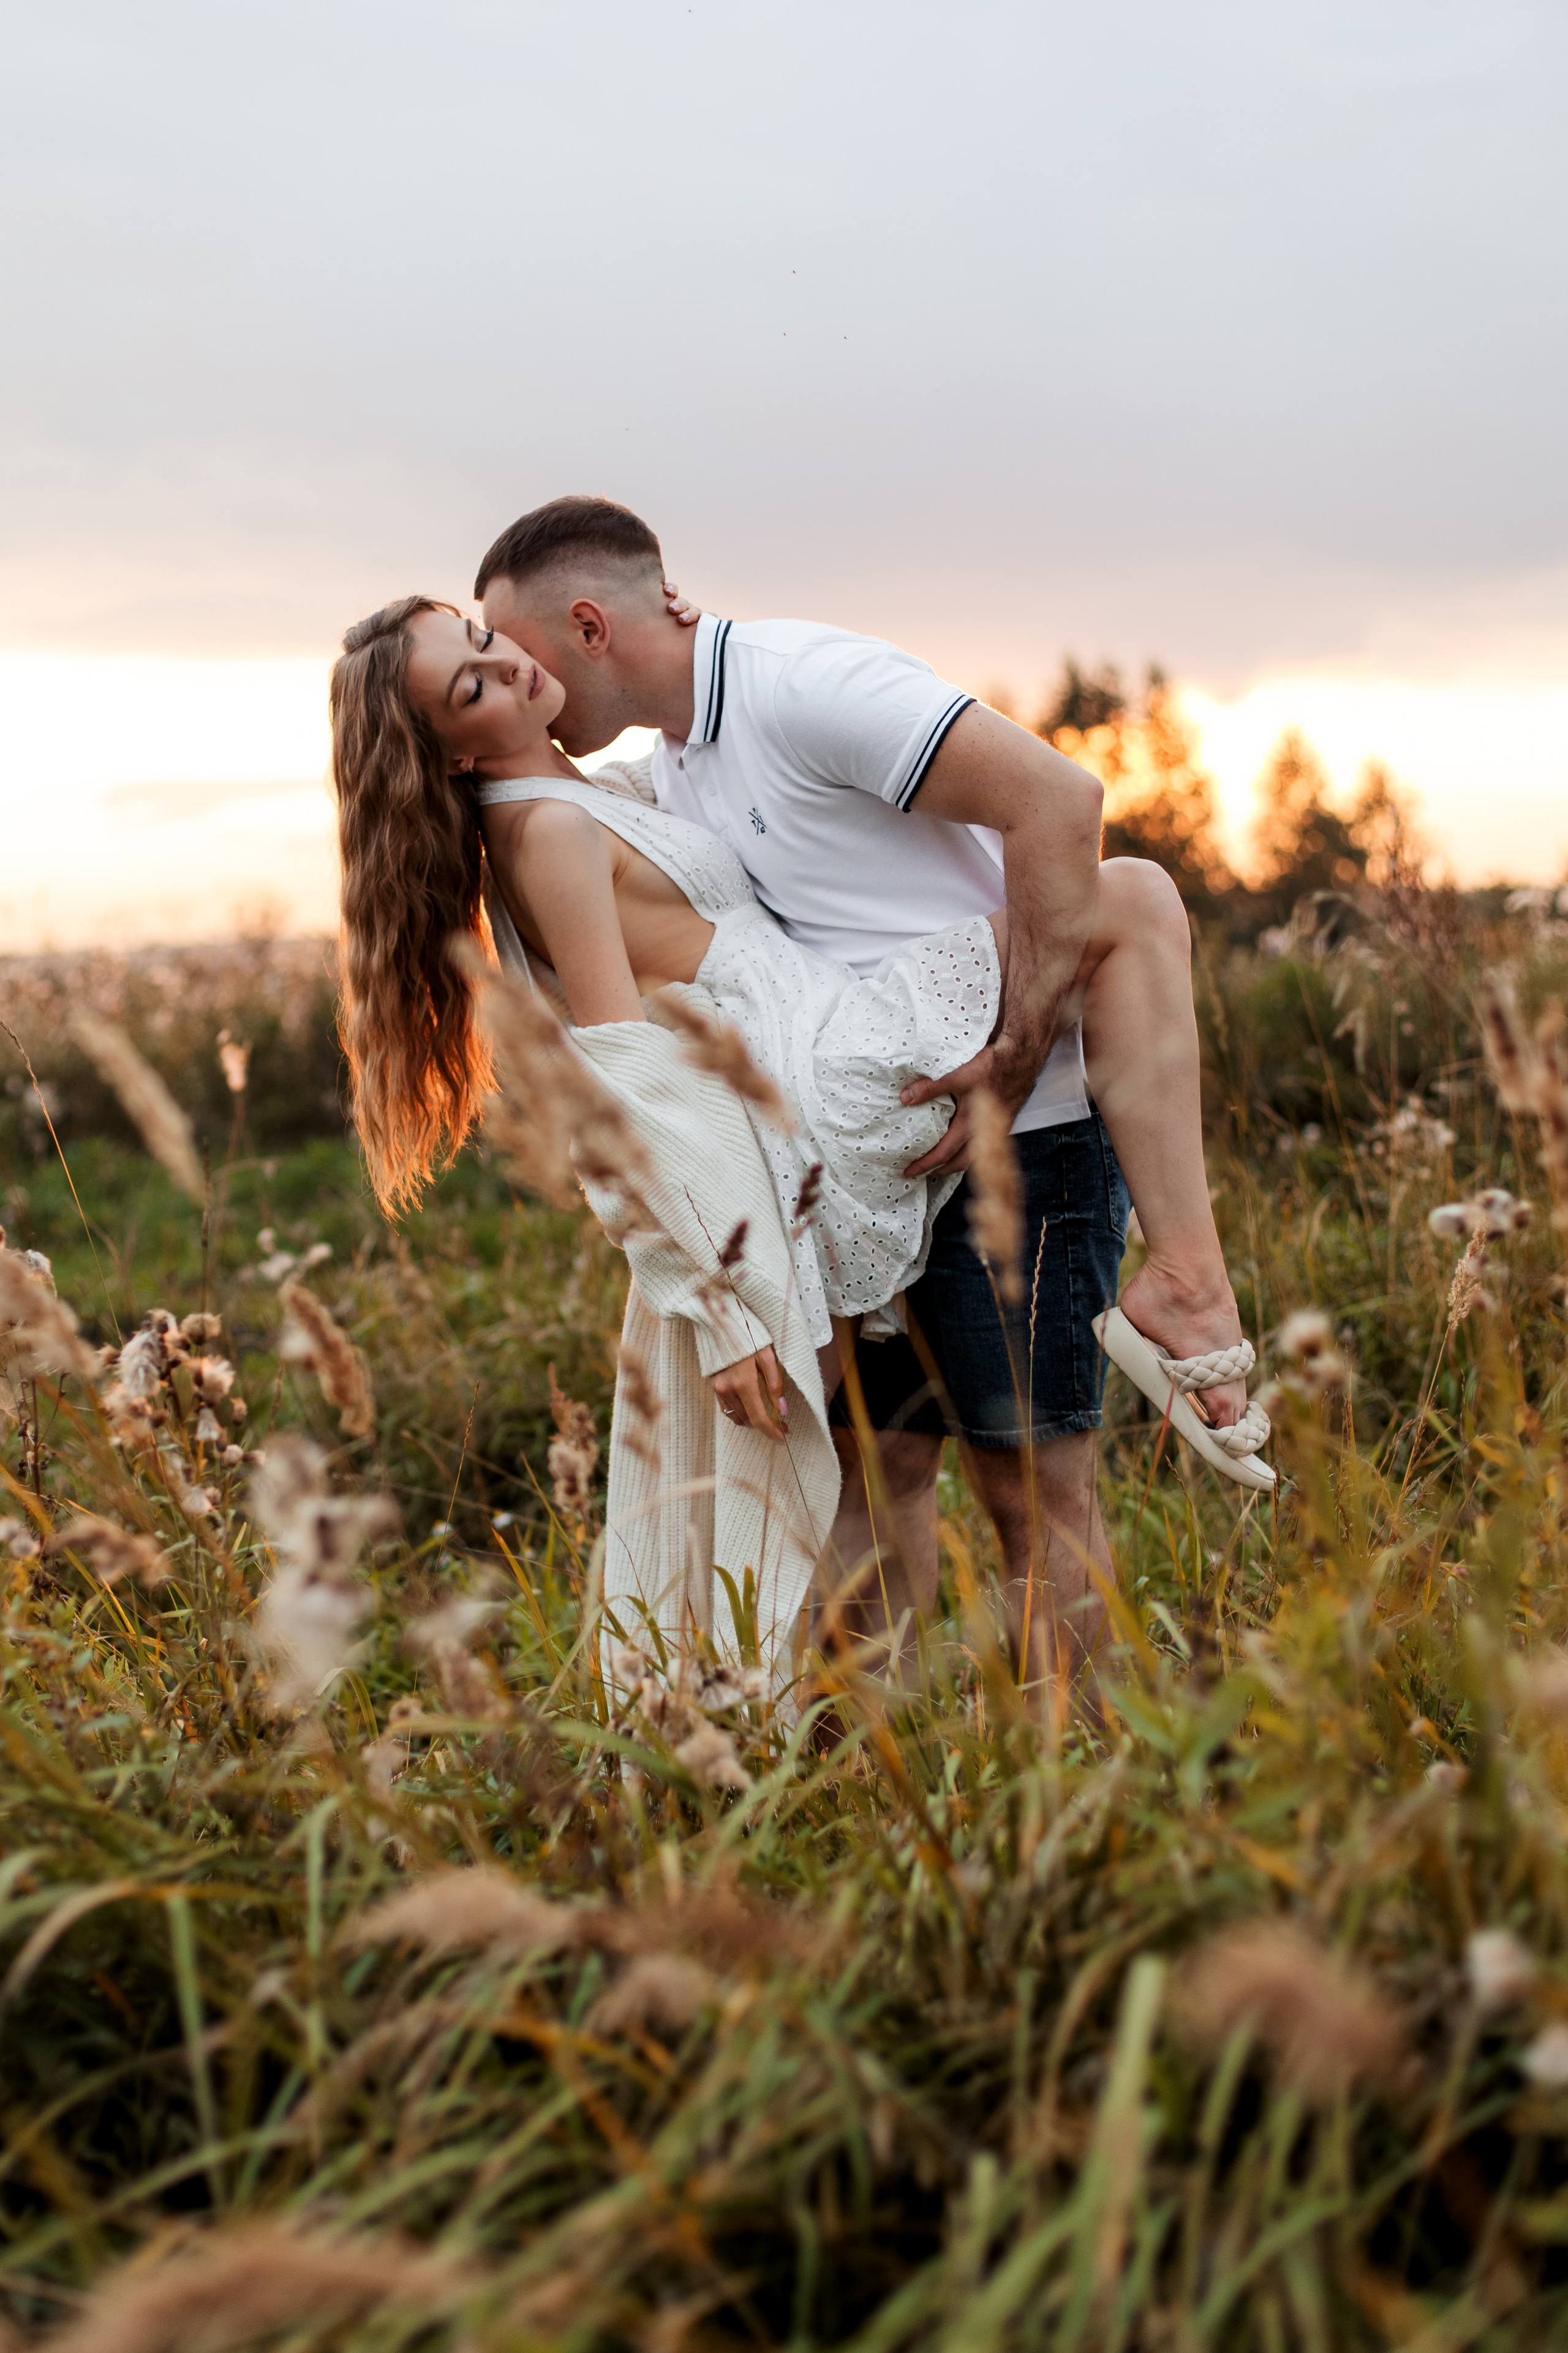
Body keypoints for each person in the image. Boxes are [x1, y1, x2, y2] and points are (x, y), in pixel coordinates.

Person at [469, 498, 1261, 1680]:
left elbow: (1059, 802)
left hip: (1015, 1131)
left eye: (513, 654)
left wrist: (1011, 1053)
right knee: (870, 1487)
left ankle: (1080, 1812)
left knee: (1031, 1501)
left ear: (586, 625)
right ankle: (869, 1806)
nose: (517, 685)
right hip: (850, 1164)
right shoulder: (668, 765)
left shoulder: (801, 683)